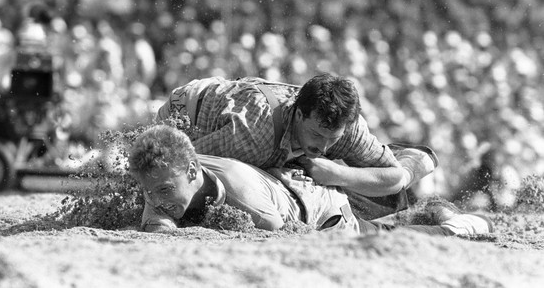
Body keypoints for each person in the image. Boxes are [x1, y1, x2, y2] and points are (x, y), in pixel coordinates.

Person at [155, 73, 438, 220]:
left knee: (391, 199)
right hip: (190, 110)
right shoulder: (256, 135)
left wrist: (336, 174)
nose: (324, 146)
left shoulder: (350, 129)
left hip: (261, 130)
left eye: (333, 138)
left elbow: (395, 178)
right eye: (317, 134)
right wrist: (270, 168)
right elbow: (182, 160)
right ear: (299, 114)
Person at [128, 125, 493, 237]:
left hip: (318, 207)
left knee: (370, 237)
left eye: (162, 193)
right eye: (151, 191)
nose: (157, 199)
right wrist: (160, 212)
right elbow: (158, 221)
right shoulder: (167, 174)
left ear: (193, 174)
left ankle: (449, 226)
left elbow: (285, 237)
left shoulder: (248, 205)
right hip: (288, 182)